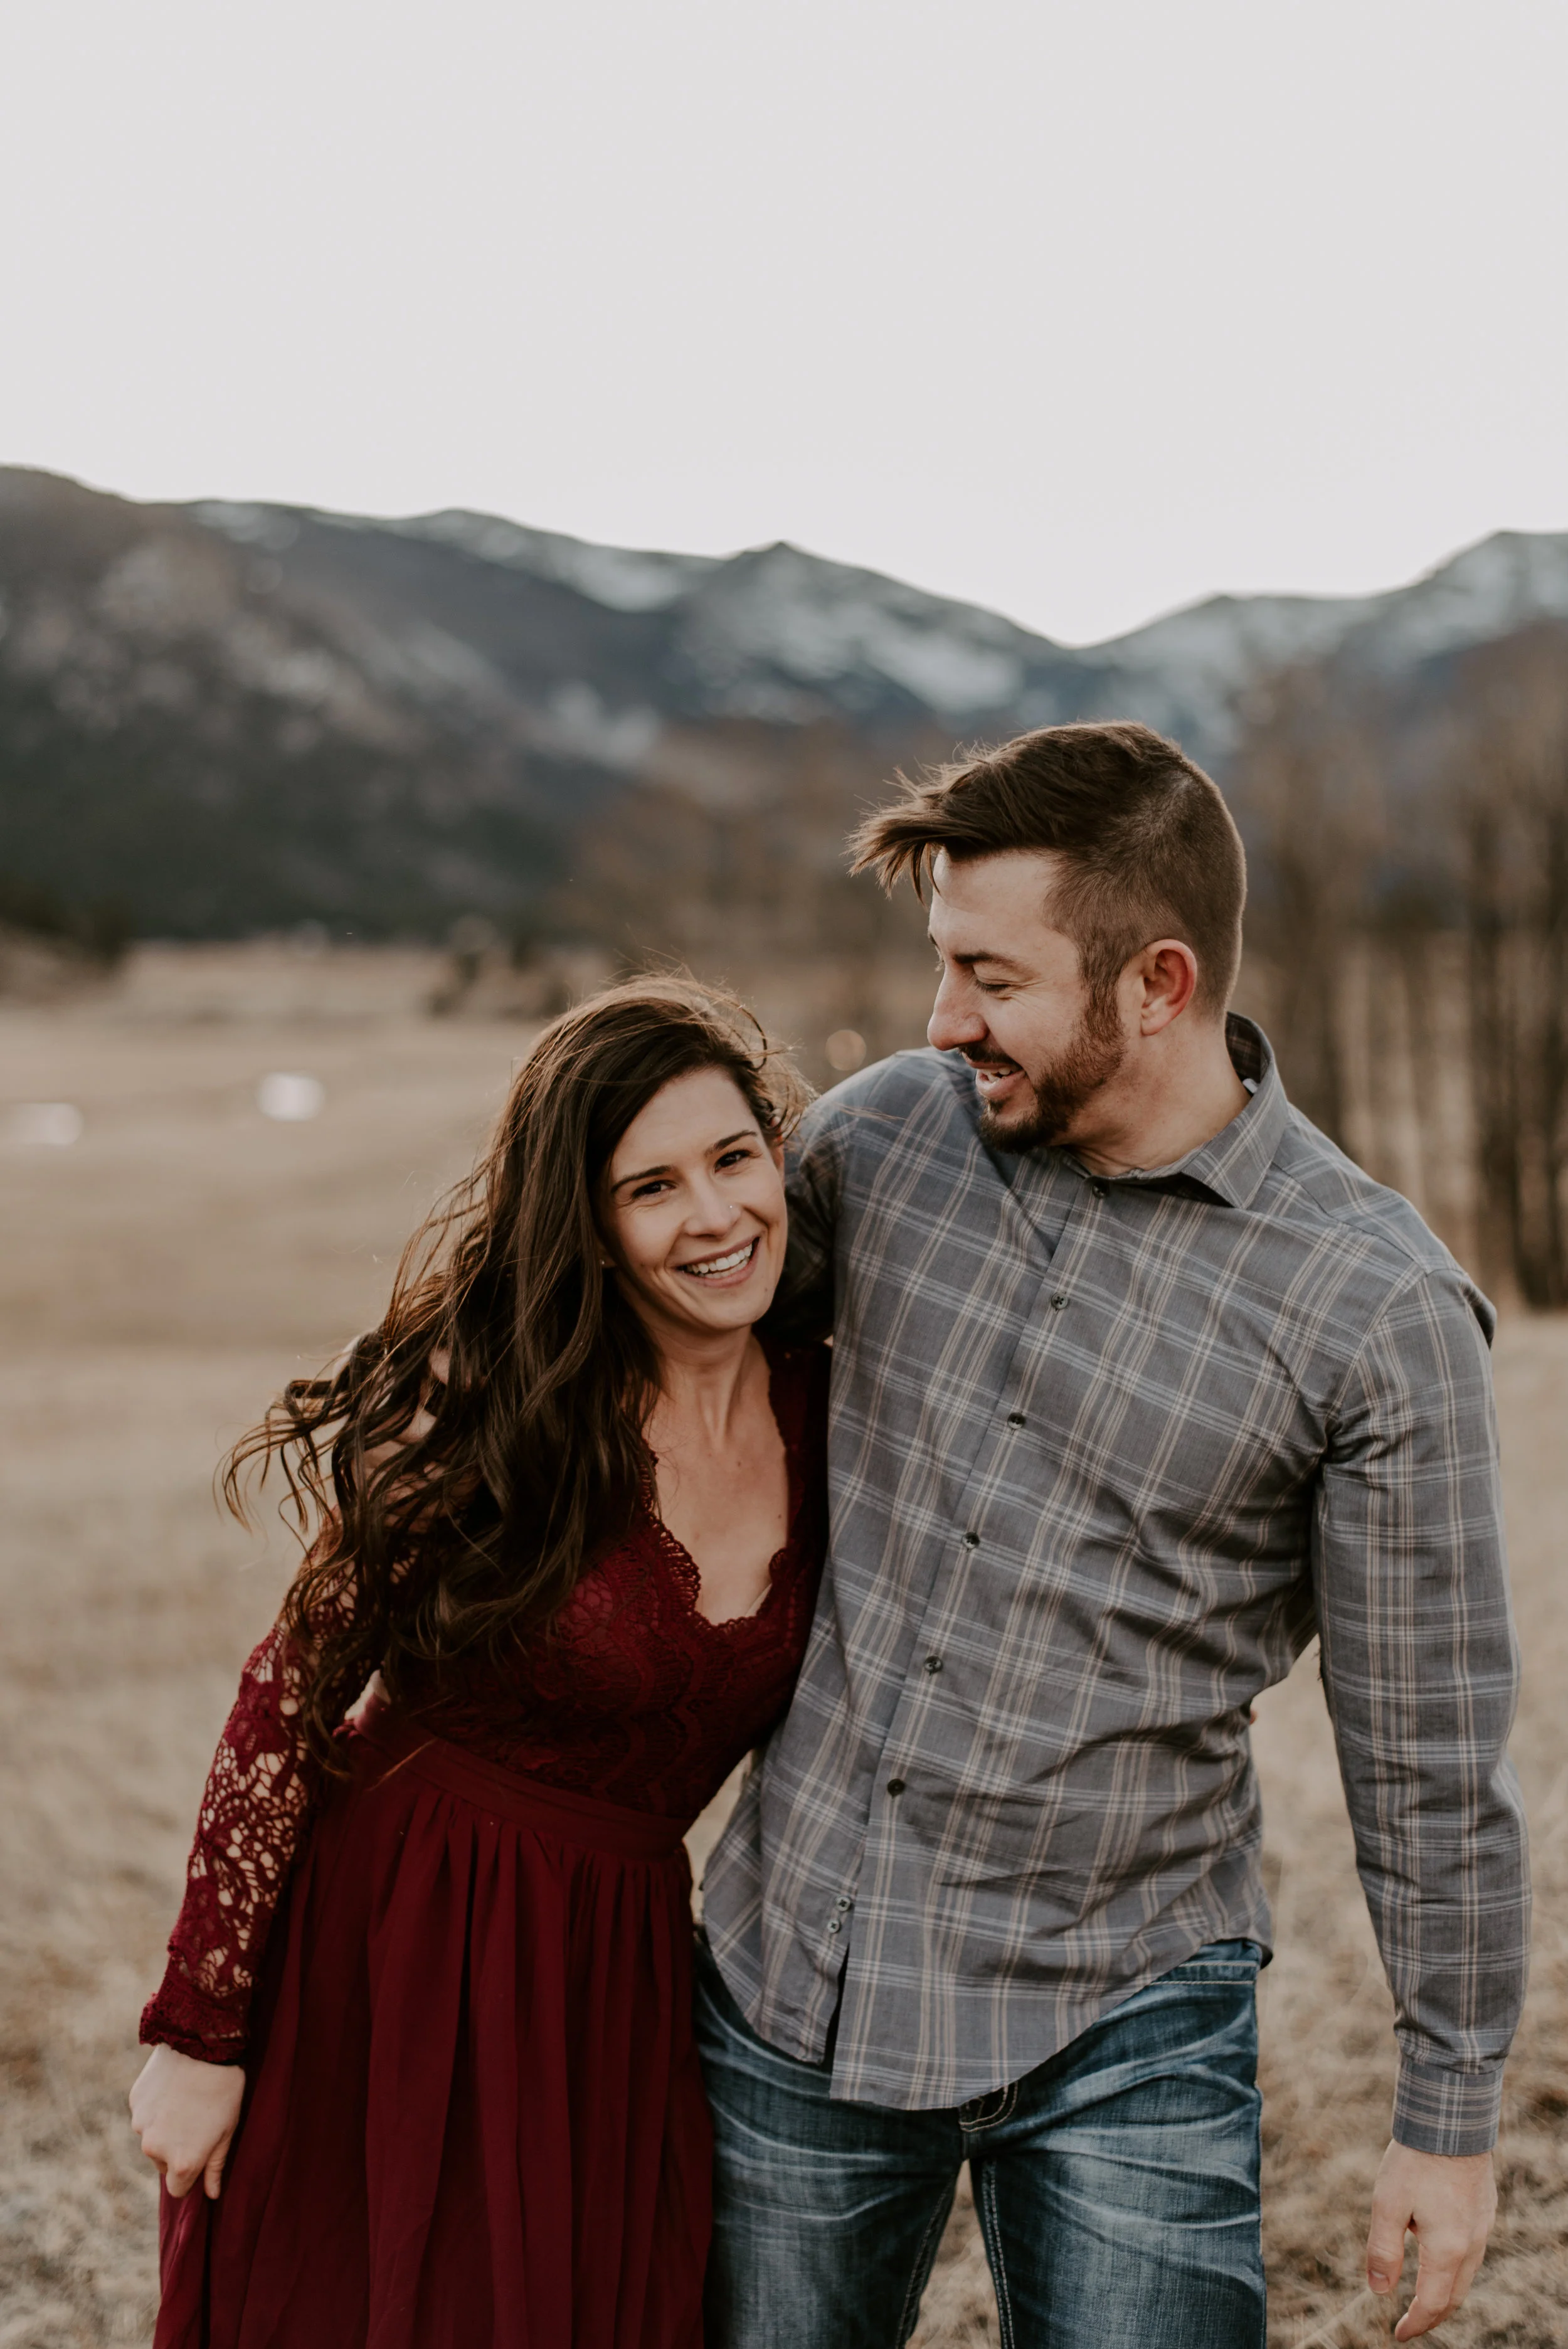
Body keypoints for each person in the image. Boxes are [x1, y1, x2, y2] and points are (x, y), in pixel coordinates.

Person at [697, 722, 1529, 2349]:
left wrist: (1446, 2109)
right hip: (800, 1962)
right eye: (940, 967)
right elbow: (649, 1389)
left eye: (988, 980)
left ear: (1154, 983)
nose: (941, 1023)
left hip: (1122, 2010)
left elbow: (1428, 1752)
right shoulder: (880, 1143)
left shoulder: (1374, 1313)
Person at [129, 978, 829, 2349]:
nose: (715, 1215)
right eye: (652, 1188)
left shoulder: (829, 1404)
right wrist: (199, 2032)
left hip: (616, 1971)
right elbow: (288, 1694)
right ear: (594, 1229)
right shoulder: (501, 1405)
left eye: (734, 1158)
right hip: (401, 1937)